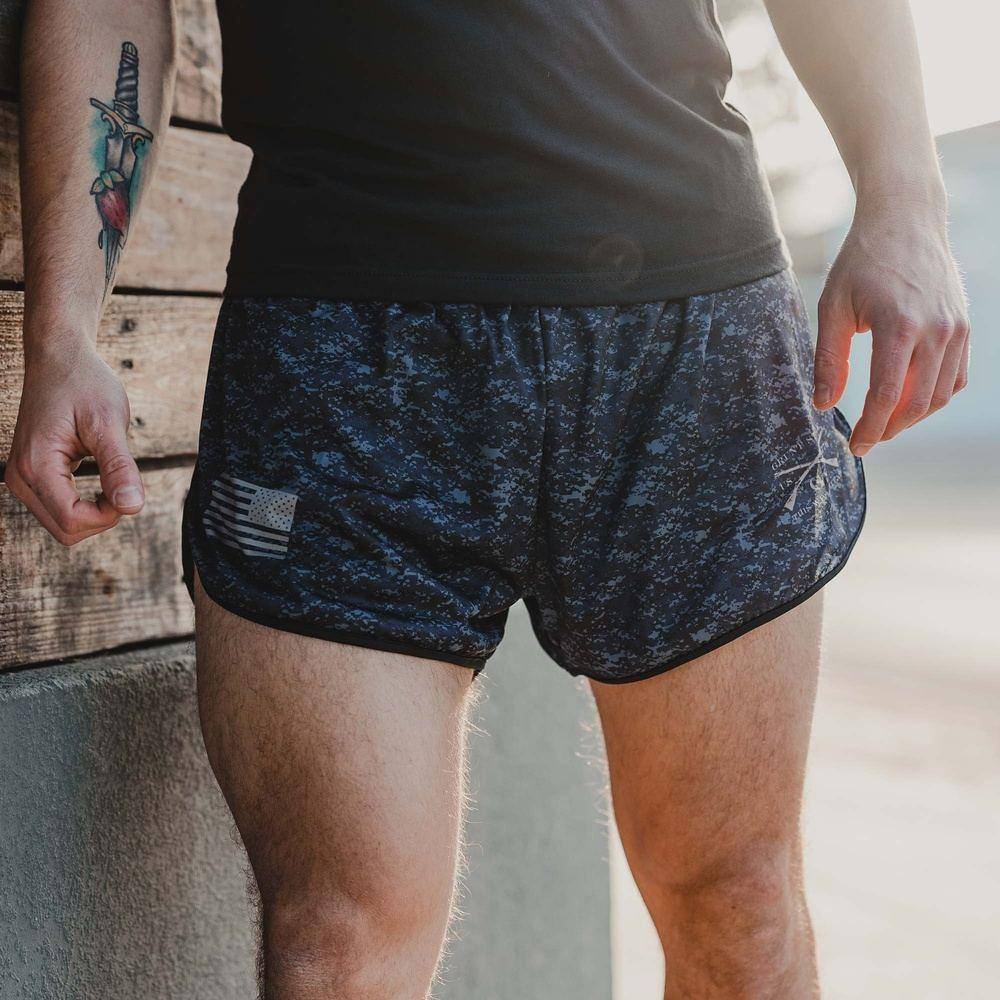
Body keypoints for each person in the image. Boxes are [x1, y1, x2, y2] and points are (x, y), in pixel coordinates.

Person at [6, 0, 969, 996]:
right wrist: (63, 330)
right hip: (338, 344)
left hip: (688, 327)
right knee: (337, 949)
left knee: (741, 913)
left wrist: (905, 200)